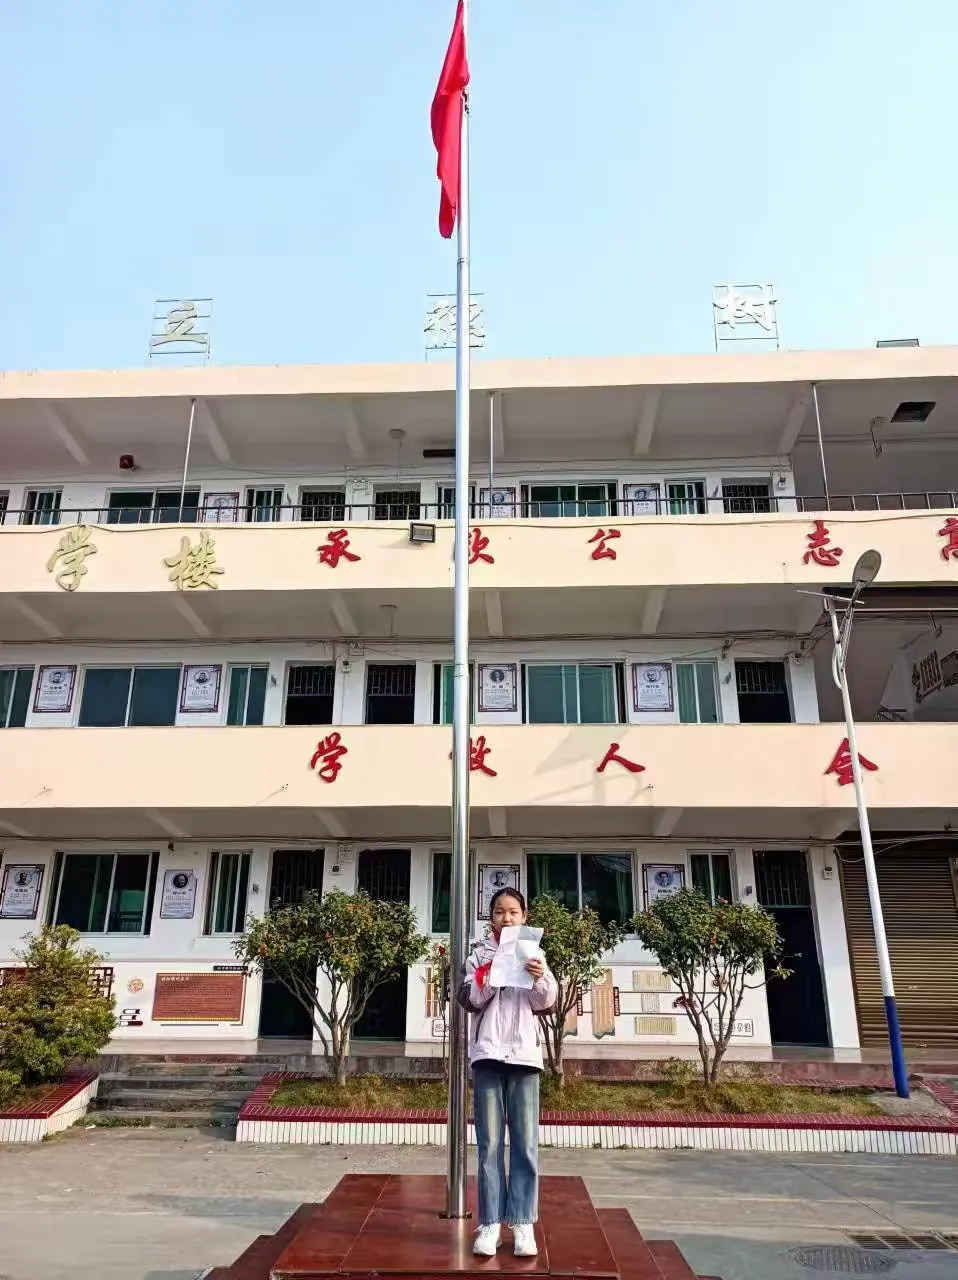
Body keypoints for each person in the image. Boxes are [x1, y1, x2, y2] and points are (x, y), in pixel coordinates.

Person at [457, 887, 558, 1258]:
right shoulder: (479, 955)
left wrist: (540, 976)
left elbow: (546, 1002)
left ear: (524, 917)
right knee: (489, 1144)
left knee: (525, 1144)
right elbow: (468, 999)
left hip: (524, 1058)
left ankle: (522, 1222)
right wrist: (491, 974)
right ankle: (489, 1224)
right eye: (499, 911)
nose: (507, 917)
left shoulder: (535, 954)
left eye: (513, 911)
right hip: (488, 1055)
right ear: (491, 918)